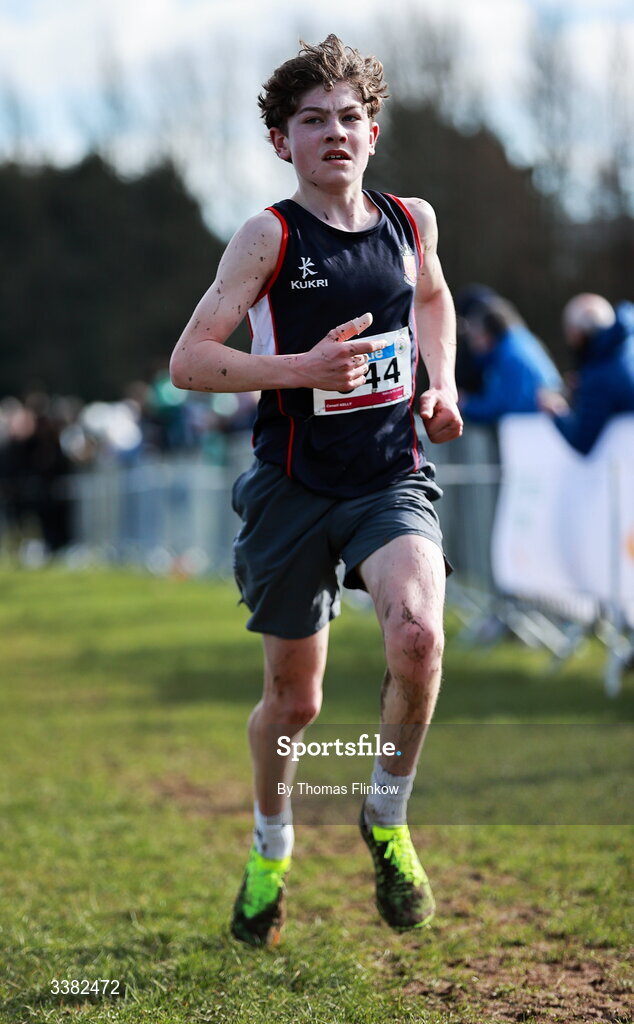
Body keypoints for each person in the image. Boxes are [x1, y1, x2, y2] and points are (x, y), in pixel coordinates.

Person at [170, 34, 462, 947]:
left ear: (372, 131)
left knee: (417, 636)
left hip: (388, 477)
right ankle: (270, 847)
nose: (333, 134)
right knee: (296, 702)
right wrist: (303, 367)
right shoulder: (269, 235)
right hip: (292, 486)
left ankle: (386, 813)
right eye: (311, 121)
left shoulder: (411, 221)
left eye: (348, 118)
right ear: (280, 140)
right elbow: (188, 363)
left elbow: (432, 301)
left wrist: (441, 384)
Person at [539, 294, 634, 455]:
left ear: (576, 333)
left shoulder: (599, 372)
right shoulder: (625, 347)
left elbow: (582, 441)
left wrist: (556, 411)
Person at [457, 292, 562, 424]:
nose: (472, 345)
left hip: (532, 428)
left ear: (487, 334)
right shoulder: (519, 338)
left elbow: (501, 405)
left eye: (475, 337)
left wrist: (466, 404)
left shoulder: (509, 356)